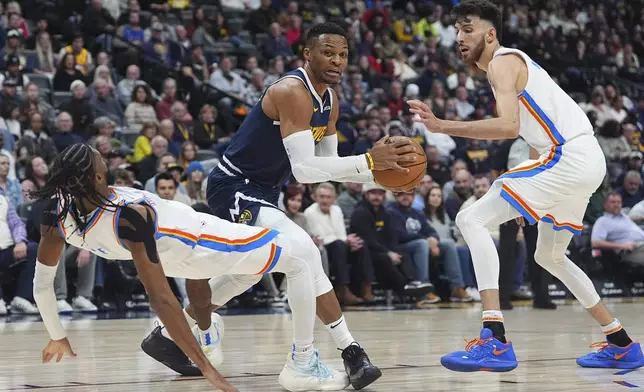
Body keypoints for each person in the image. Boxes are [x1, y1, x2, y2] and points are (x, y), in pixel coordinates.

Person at [172, 22, 414, 390]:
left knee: (249, 272)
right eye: (328, 52)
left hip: (265, 192)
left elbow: (324, 169)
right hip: (233, 185)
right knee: (302, 253)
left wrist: (379, 176)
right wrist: (367, 161)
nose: (337, 60)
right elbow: (303, 168)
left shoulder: (329, 100)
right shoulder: (292, 91)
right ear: (308, 54)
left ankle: (169, 328)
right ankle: (321, 357)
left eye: (343, 54)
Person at [408, 0, 644, 373]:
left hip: (568, 156)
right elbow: (534, 135)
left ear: (490, 33)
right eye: (456, 30)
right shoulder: (512, 68)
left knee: (471, 218)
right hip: (579, 160)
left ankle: (494, 339)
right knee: (548, 256)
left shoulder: (503, 60)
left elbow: (508, 127)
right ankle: (621, 343)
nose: (459, 37)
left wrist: (441, 125)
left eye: (467, 29)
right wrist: (524, 198)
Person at [31, 144, 357, 392]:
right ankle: (302, 364)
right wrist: (206, 371)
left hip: (179, 253)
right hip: (202, 242)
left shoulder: (58, 214)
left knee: (254, 269)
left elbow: (42, 285)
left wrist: (57, 335)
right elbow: (161, 300)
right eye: (99, 158)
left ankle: (208, 334)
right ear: (98, 176)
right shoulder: (129, 216)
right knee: (299, 258)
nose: (105, 157)